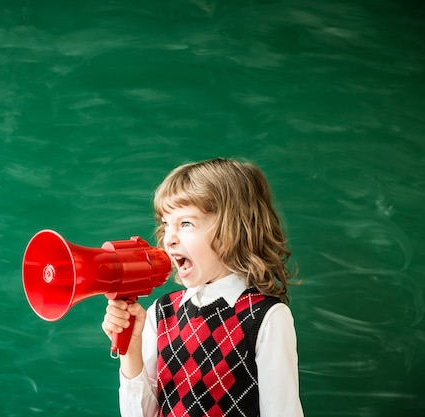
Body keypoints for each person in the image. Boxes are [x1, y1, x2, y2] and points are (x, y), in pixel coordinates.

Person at [102, 157, 303, 417]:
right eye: (166, 224)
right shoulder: (161, 313)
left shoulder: (266, 318)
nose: (169, 239)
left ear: (232, 229)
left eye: (186, 224)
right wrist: (131, 351)